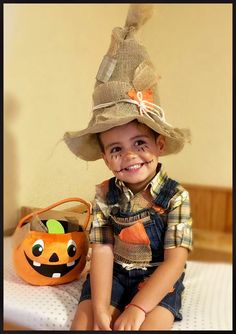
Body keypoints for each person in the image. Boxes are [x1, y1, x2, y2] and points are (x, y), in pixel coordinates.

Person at [64, 4, 192, 330]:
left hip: (157, 277)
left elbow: (176, 260)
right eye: (116, 149)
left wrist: (138, 307)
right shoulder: (104, 194)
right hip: (115, 273)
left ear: (160, 144)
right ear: (106, 157)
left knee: (150, 325)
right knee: (86, 322)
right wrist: (102, 308)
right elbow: (103, 250)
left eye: (140, 143)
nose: (130, 156)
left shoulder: (175, 196)